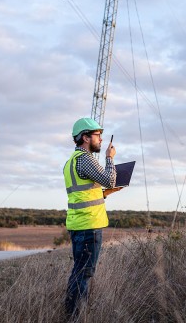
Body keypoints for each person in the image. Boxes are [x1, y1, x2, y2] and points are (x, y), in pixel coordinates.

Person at [63, 117, 122, 316]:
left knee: (79, 272)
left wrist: (104, 193)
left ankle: (71, 314)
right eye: (98, 135)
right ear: (85, 138)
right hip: (89, 226)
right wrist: (110, 158)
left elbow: (83, 193)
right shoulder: (85, 159)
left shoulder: (71, 162)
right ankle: (75, 317)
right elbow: (109, 179)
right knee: (84, 274)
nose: (102, 139)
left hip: (79, 224)